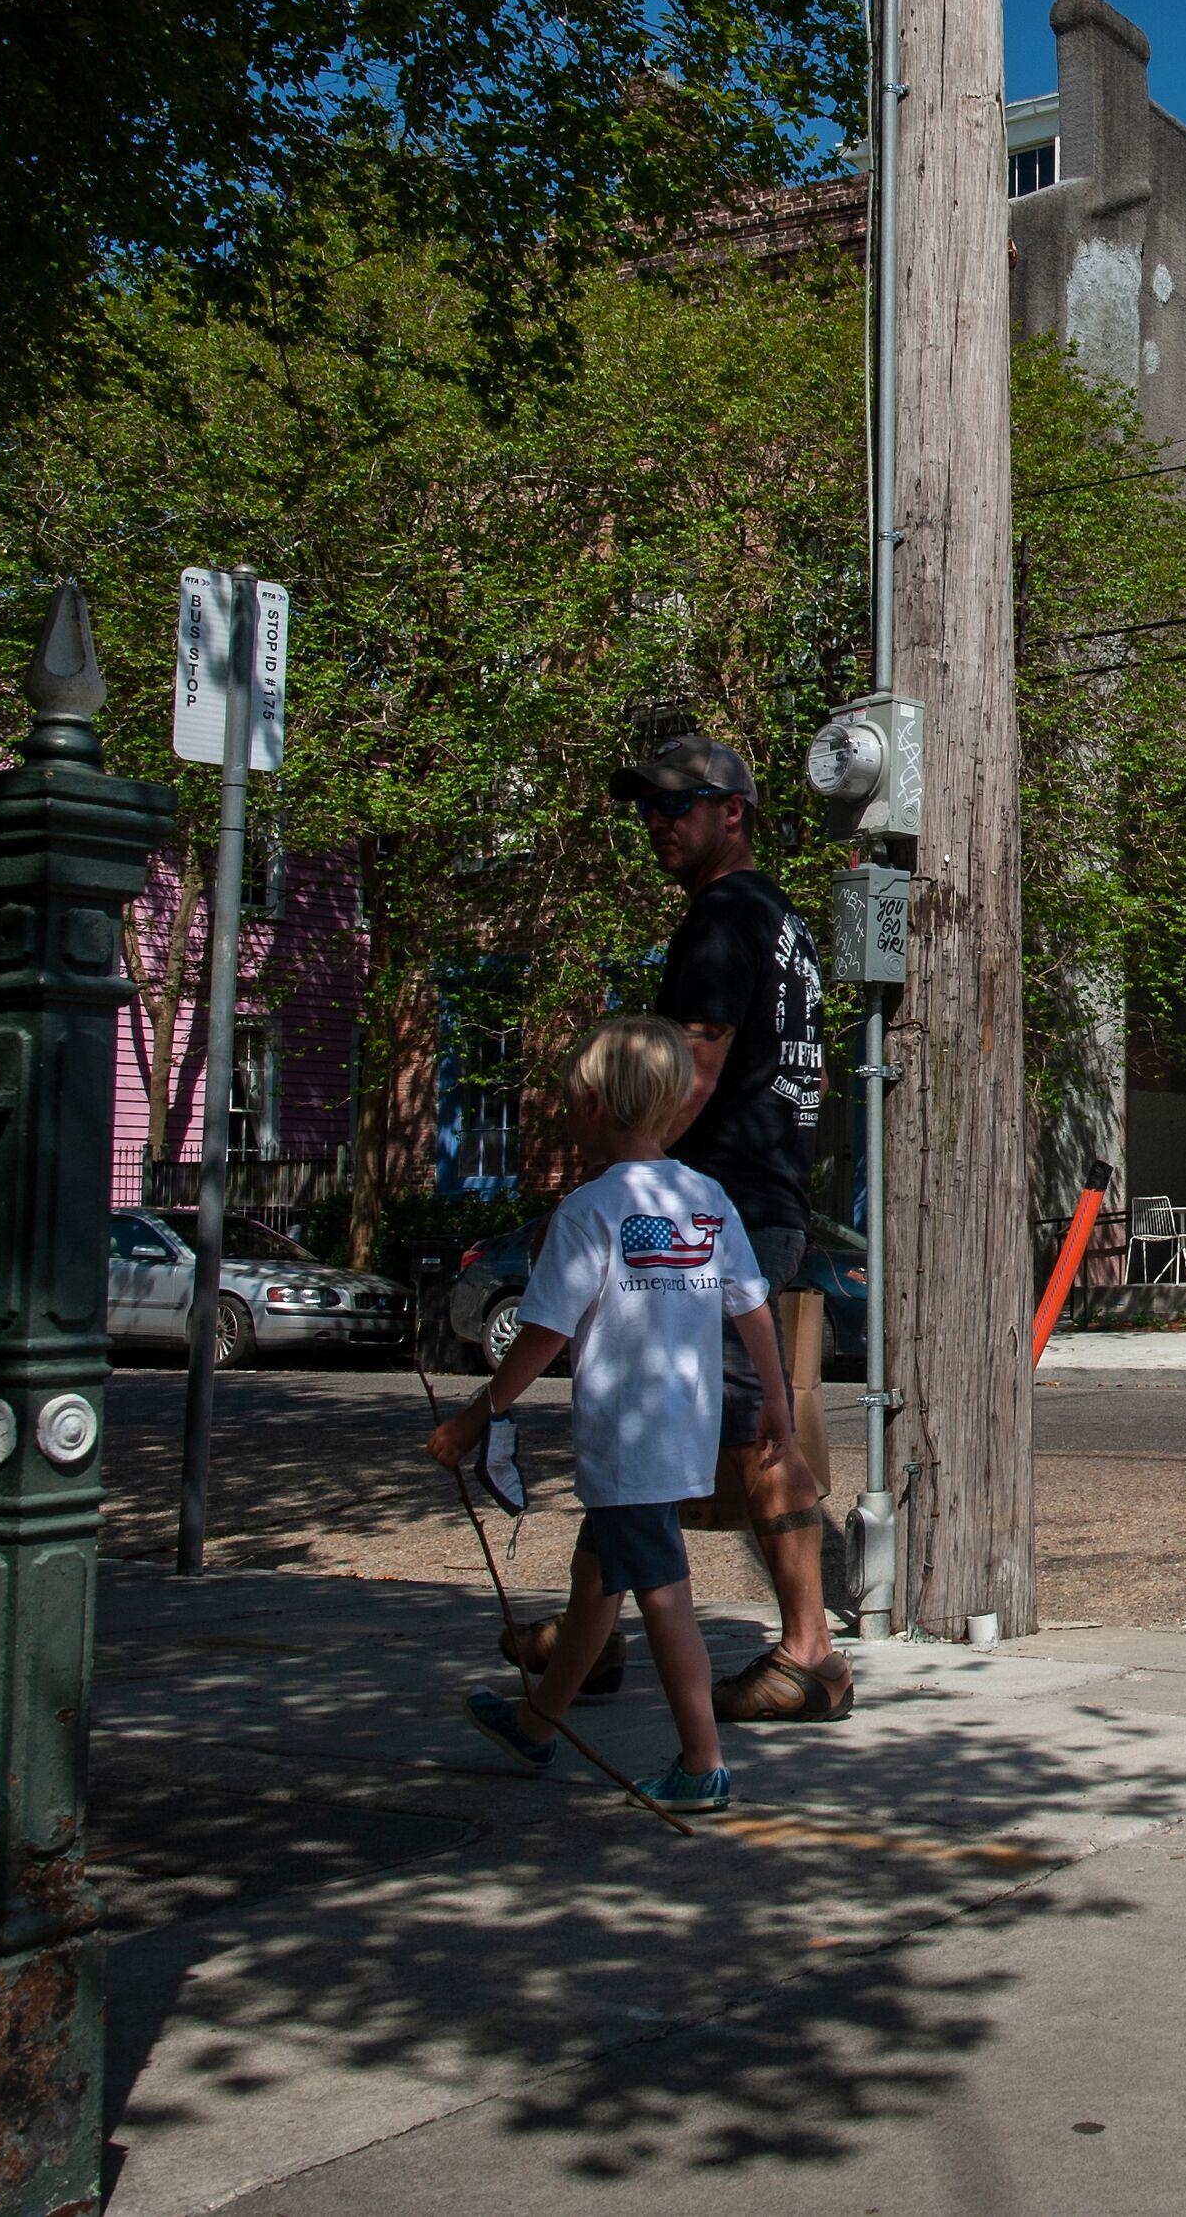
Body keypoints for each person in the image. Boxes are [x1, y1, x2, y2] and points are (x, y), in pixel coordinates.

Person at [430, 1016, 772, 1816]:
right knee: (597, 1584)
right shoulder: (705, 1197)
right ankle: (537, 1722)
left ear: (596, 1104)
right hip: (681, 1432)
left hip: (627, 1444)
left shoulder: (590, 1210)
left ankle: (702, 1761)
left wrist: (477, 1415)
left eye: (568, 1101)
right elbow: (753, 1306)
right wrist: (778, 1402)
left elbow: (544, 1330)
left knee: (664, 1596)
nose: (563, 1113)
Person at [606, 731, 848, 1722]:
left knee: (742, 1428)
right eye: (649, 808)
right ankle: (588, 1629)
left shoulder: (717, 921)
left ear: (732, 810)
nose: (658, 822)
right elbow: (818, 1076)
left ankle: (808, 1648)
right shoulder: (783, 922)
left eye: (678, 803)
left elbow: (690, 1074)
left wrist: (619, 1180)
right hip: (768, 1197)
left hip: (718, 1207)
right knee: (646, 1419)